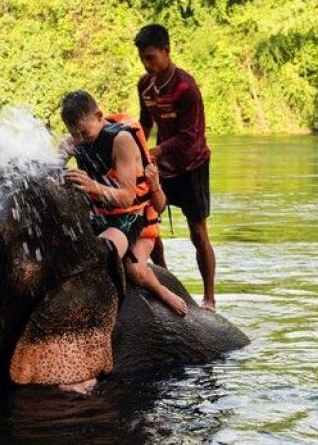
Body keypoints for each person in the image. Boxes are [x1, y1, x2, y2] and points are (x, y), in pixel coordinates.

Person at [58, 90, 188, 320]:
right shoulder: (72, 141)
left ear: (99, 116)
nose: (79, 139)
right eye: (74, 134)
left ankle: (162, 291)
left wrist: (93, 187)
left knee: (127, 266)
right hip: (97, 214)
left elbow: (127, 197)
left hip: (128, 216)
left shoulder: (122, 141)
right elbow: (51, 168)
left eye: (84, 133)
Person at [135, 24, 217, 312]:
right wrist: (136, 147)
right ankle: (165, 278)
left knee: (197, 232)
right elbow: (145, 123)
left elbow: (189, 136)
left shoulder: (186, 88)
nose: (147, 64)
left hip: (191, 164)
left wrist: (156, 150)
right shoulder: (145, 85)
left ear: (167, 52)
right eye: (143, 58)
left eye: (151, 57)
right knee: (149, 224)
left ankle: (209, 298)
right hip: (162, 166)